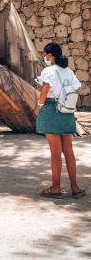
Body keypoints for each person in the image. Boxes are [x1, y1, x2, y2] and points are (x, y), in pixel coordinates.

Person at [36, 42, 84, 198]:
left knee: (55, 151)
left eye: (45, 55)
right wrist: (70, 107)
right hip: (67, 108)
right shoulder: (69, 71)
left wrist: (40, 105)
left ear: (50, 55)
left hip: (51, 107)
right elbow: (76, 90)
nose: (45, 58)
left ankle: (56, 188)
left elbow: (45, 91)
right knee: (68, 150)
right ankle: (75, 187)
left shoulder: (49, 71)